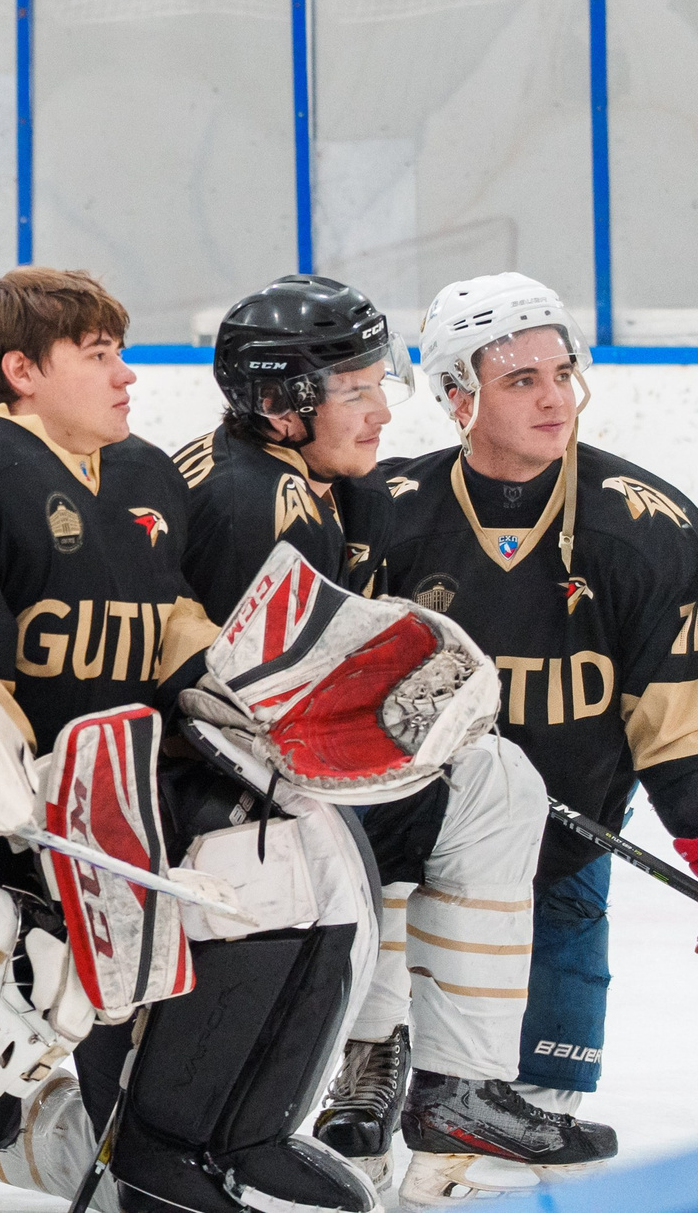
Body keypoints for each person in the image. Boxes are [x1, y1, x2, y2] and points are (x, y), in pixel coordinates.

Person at [0, 267, 383, 1213]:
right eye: (98, 355)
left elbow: (176, 623)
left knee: (281, 862)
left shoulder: (144, 473)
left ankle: (182, 1148)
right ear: (21, 369)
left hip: (108, 811)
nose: (126, 375)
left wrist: (267, 702)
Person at [359, 274, 698, 1191]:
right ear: (457, 396)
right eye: (521, 380)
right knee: (365, 1099)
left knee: (529, 1130)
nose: (555, 396)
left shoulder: (647, 527)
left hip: (567, 837)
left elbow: (676, 727)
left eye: (564, 371)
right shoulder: (382, 513)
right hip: (401, 849)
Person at [175, 276, 583, 1206]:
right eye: (354, 390)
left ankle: (402, 1061)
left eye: (378, 381)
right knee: (490, 787)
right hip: (221, 809)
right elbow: (260, 719)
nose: (382, 408)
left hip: (239, 782)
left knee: (467, 784)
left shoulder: (305, 484)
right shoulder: (260, 507)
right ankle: (453, 1081)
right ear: (281, 405)